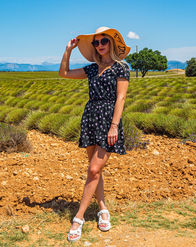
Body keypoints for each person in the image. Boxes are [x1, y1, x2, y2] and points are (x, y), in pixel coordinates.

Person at [59, 26, 131, 242]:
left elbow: (121, 98)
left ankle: (78, 218)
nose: (100, 45)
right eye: (96, 43)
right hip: (91, 118)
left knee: (93, 169)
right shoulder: (92, 69)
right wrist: (68, 50)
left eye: (103, 41)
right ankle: (102, 208)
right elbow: (63, 73)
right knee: (94, 171)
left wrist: (114, 126)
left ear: (111, 43)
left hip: (109, 120)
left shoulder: (121, 68)